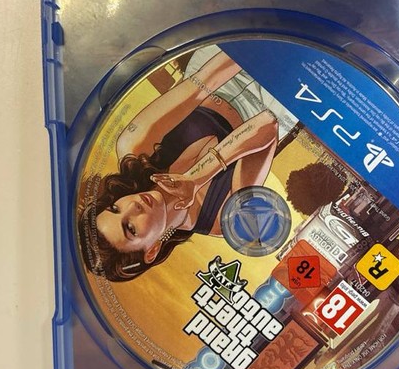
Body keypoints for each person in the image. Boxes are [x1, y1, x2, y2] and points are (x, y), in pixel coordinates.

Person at [78, 50, 280, 282]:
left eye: (115, 208)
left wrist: (251, 46)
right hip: (275, 101)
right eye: (131, 228)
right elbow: (268, 123)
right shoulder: (223, 221)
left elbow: (206, 79)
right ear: (152, 250)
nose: (132, 205)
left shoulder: (134, 147)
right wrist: (196, 178)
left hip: (221, 70)